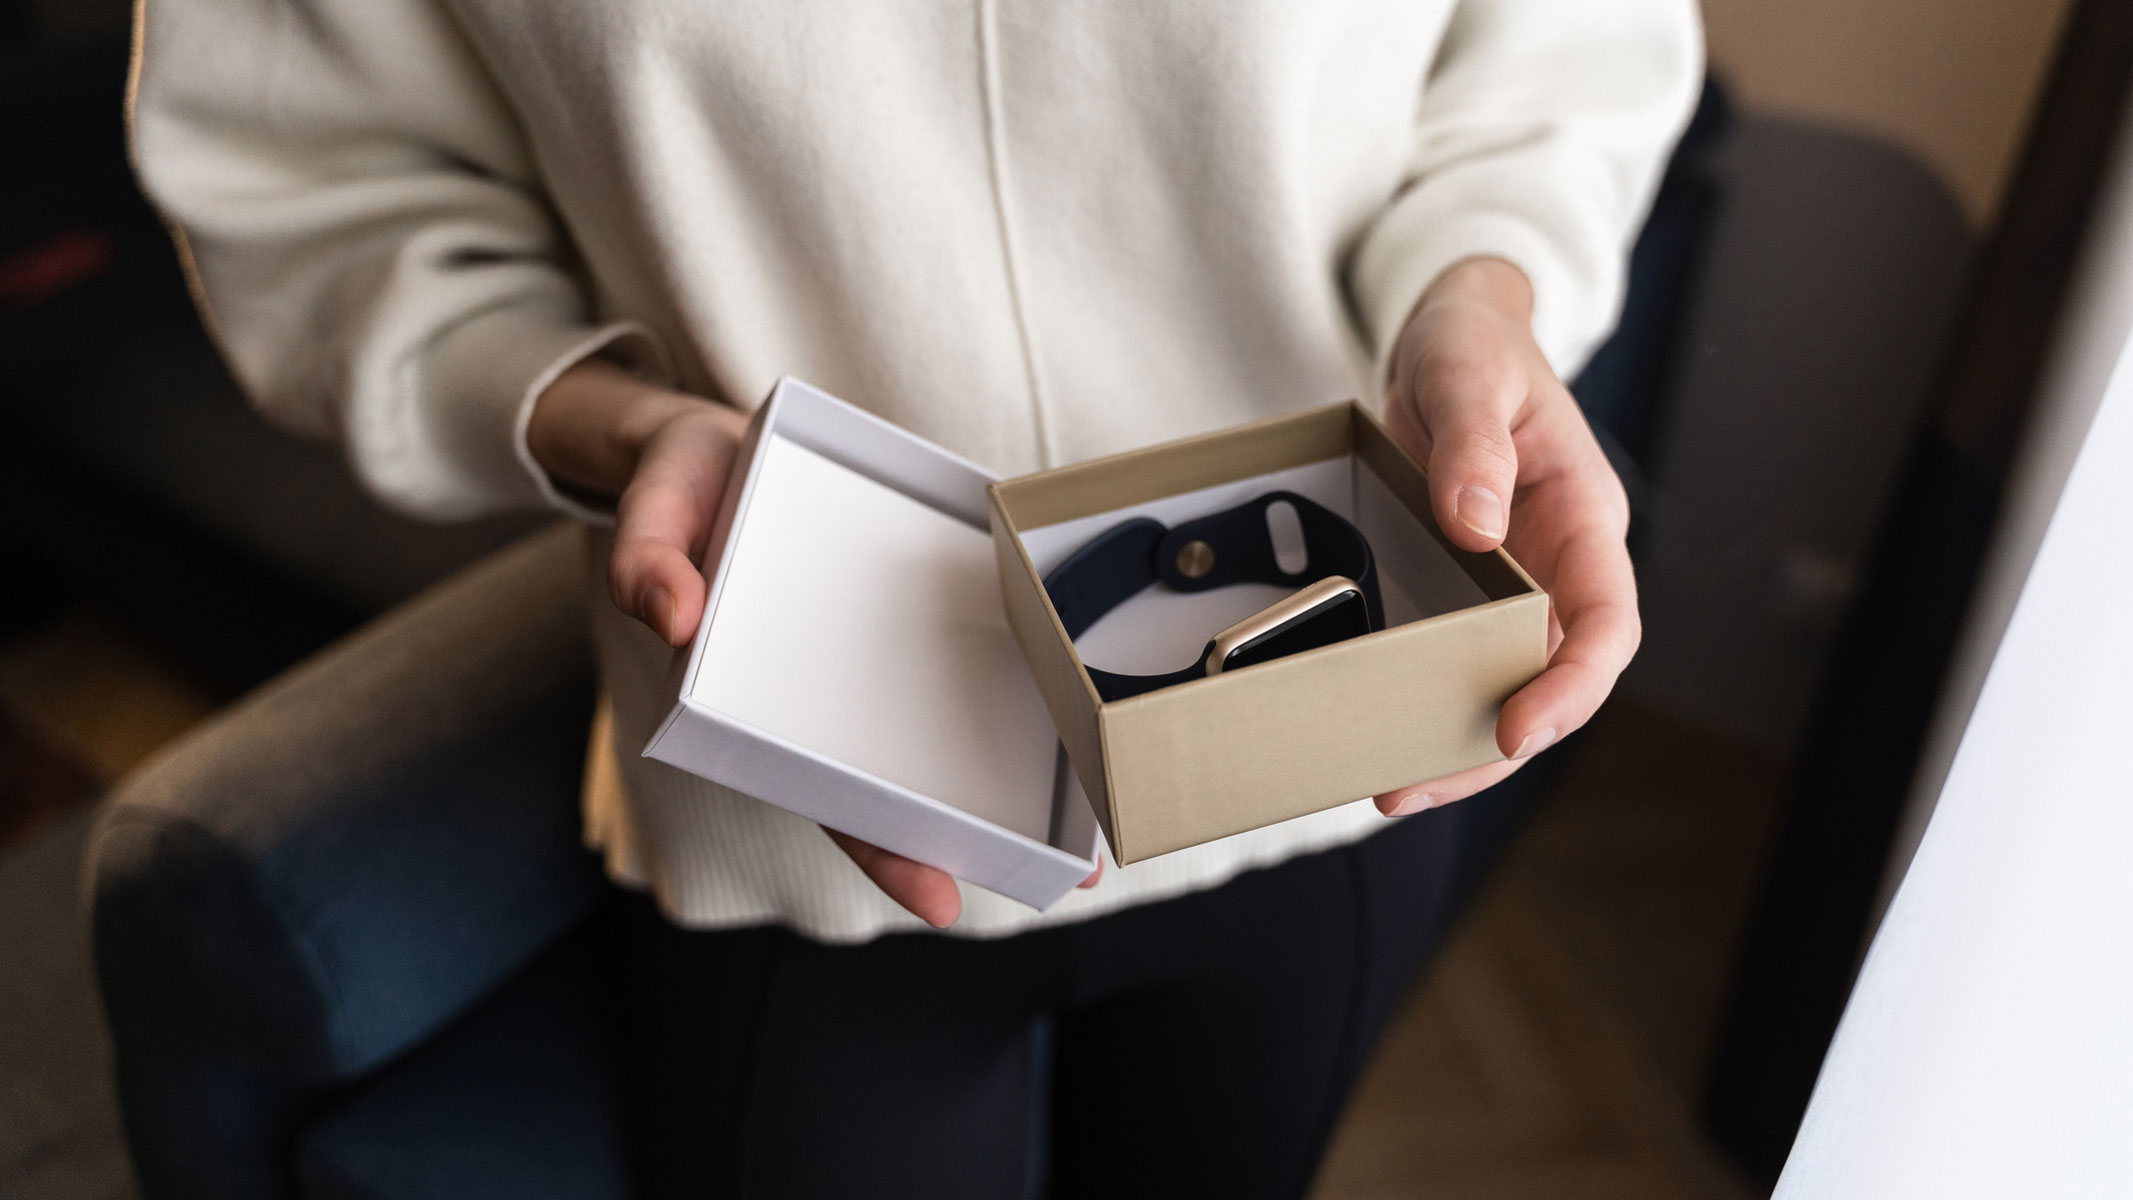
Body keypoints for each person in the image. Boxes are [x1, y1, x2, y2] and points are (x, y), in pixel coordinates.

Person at [131, 1, 1700, 1194]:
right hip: (806, 811)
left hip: (1317, 754)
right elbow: (308, 188)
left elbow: (1554, 65)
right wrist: (615, 423)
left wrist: (1486, 291)